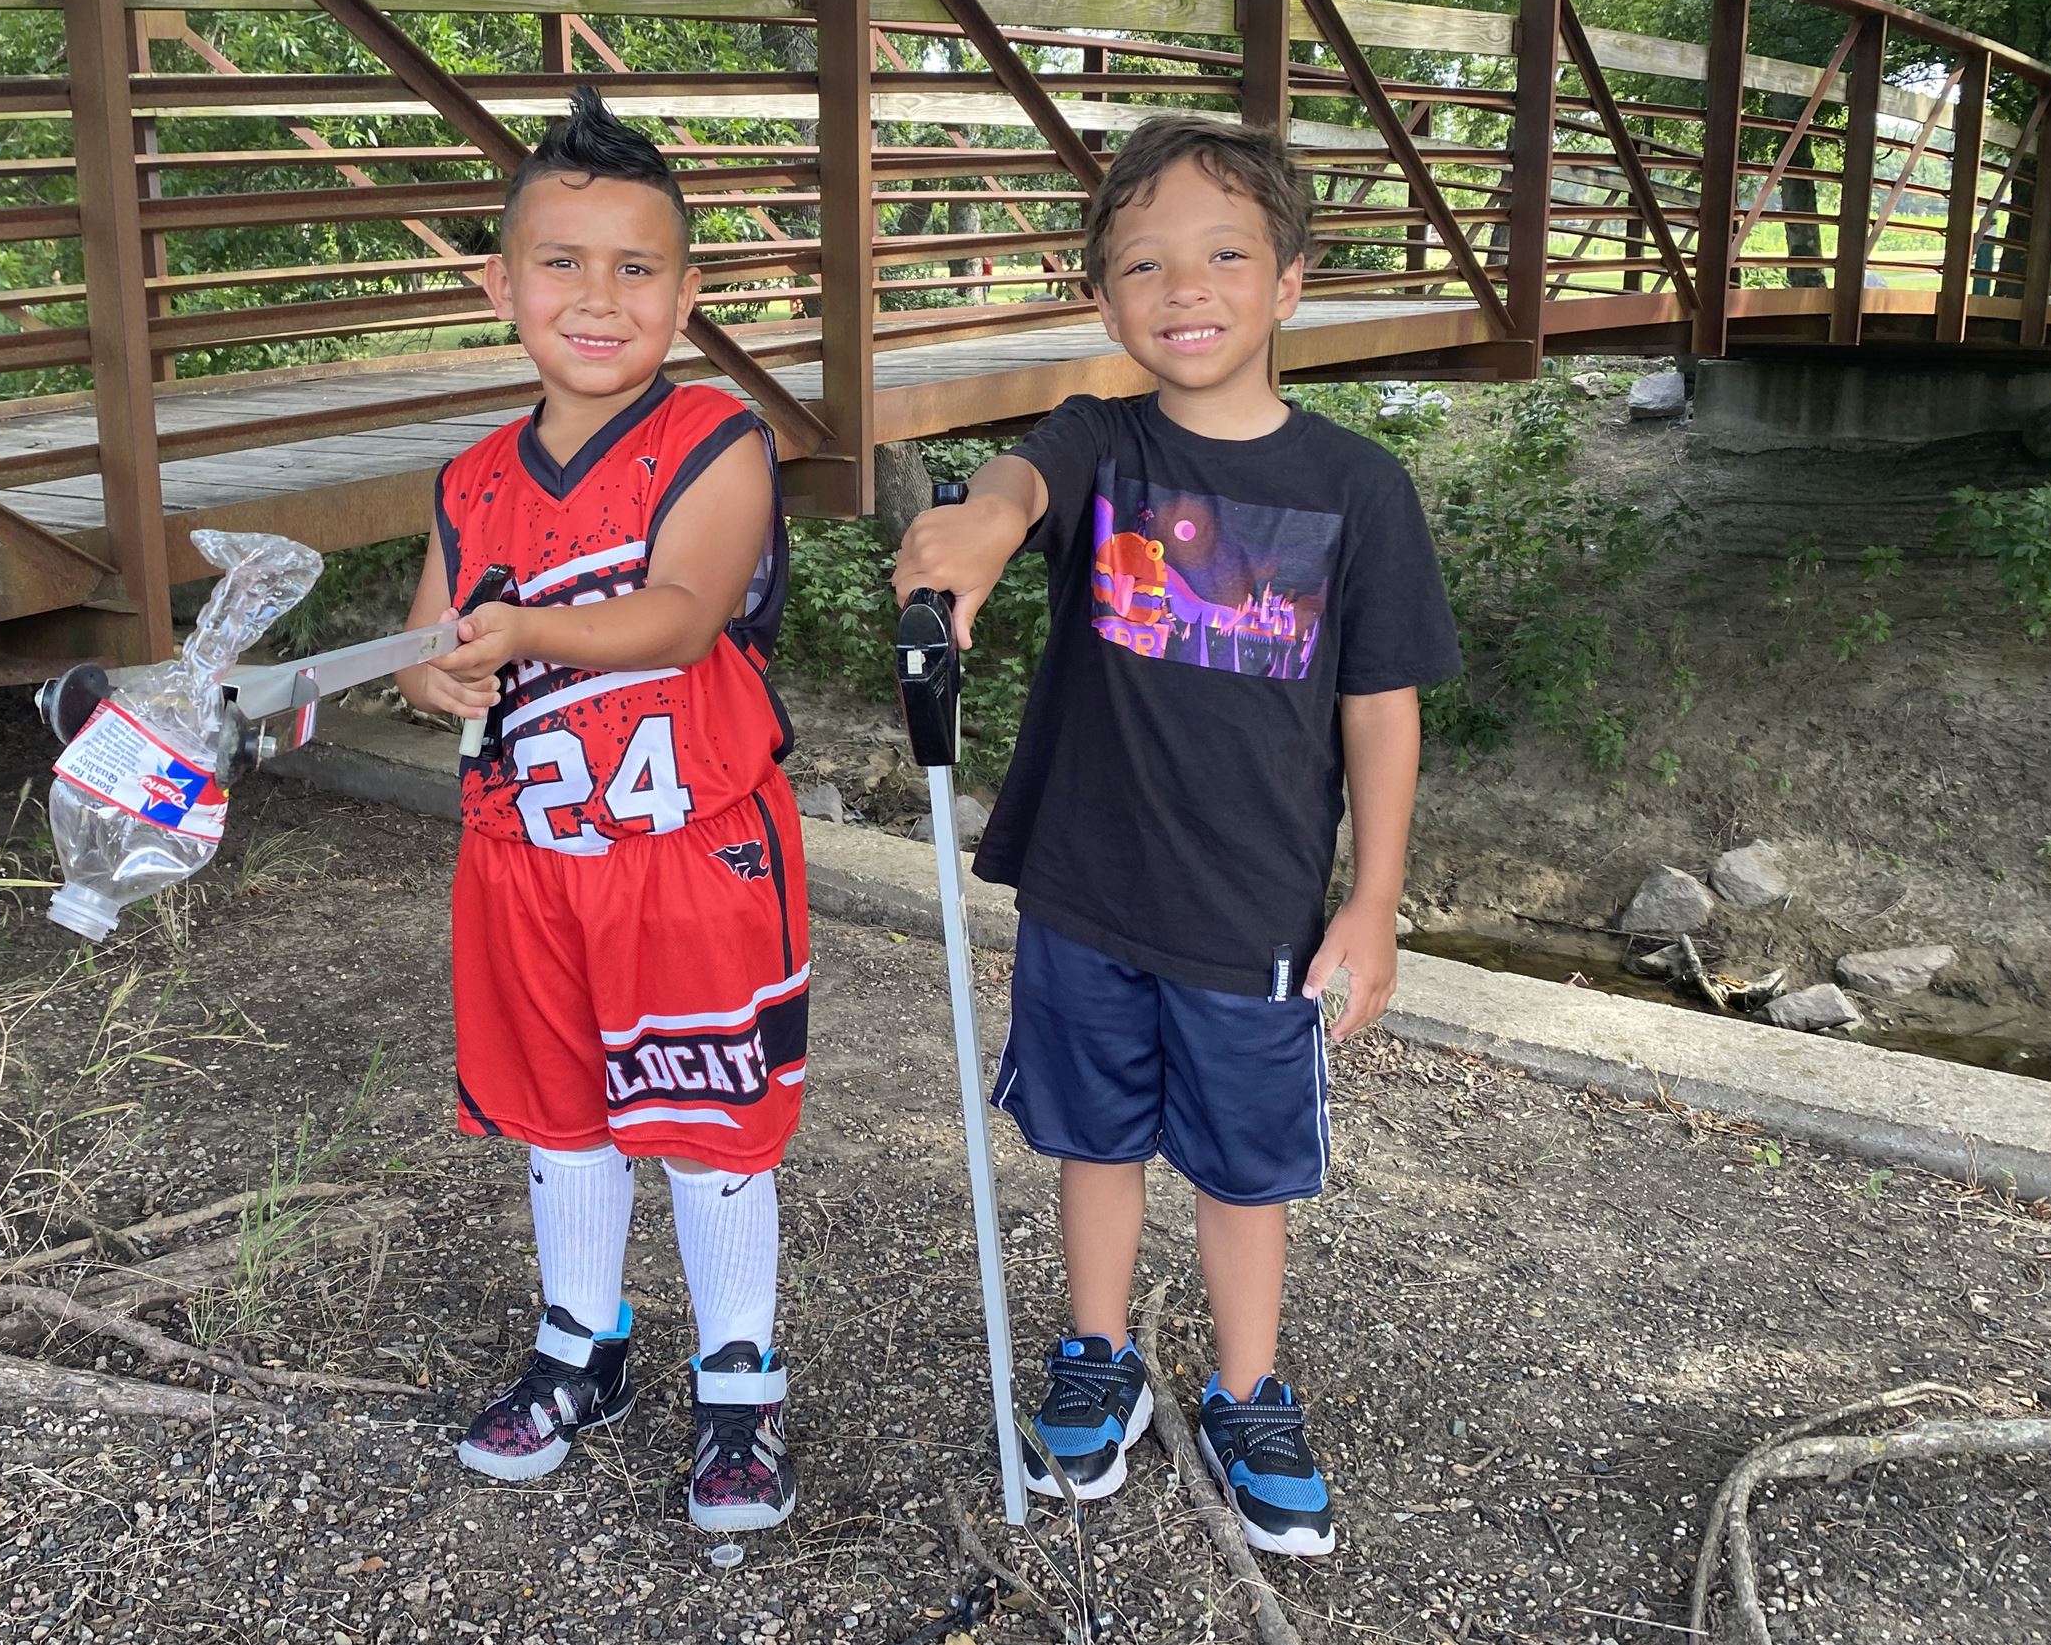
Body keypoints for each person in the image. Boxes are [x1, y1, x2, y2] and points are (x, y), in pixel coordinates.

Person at [893, 116, 1459, 1558]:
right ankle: (1099, 1355)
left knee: (1242, 1161)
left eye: (1223, 252)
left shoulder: (1359, 489)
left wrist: (1374, 900)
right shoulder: (1104, 440)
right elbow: (1019, 489)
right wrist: (974, 532)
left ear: (1289, 282)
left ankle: (1249, 1388)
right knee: (1094, 1135)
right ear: (1103, 298)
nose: (1182, 285)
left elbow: (1382, 714)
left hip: (1256, 910)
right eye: (1141, 262)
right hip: (1087, 887)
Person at [394, 87, 805, 1533]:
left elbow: (685, 614)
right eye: (561, 261)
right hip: (529, 857)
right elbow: (431, 639)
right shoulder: (467, 481)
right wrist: (438, 680)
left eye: (638, 268)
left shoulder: (714, 436)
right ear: (499, 283)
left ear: (687, 297)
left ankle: (739, 1383)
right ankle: (584, 1344)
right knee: (563, 1118)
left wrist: (517, 637)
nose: (598, 295)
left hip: (686, 855)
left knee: (706, 1121)